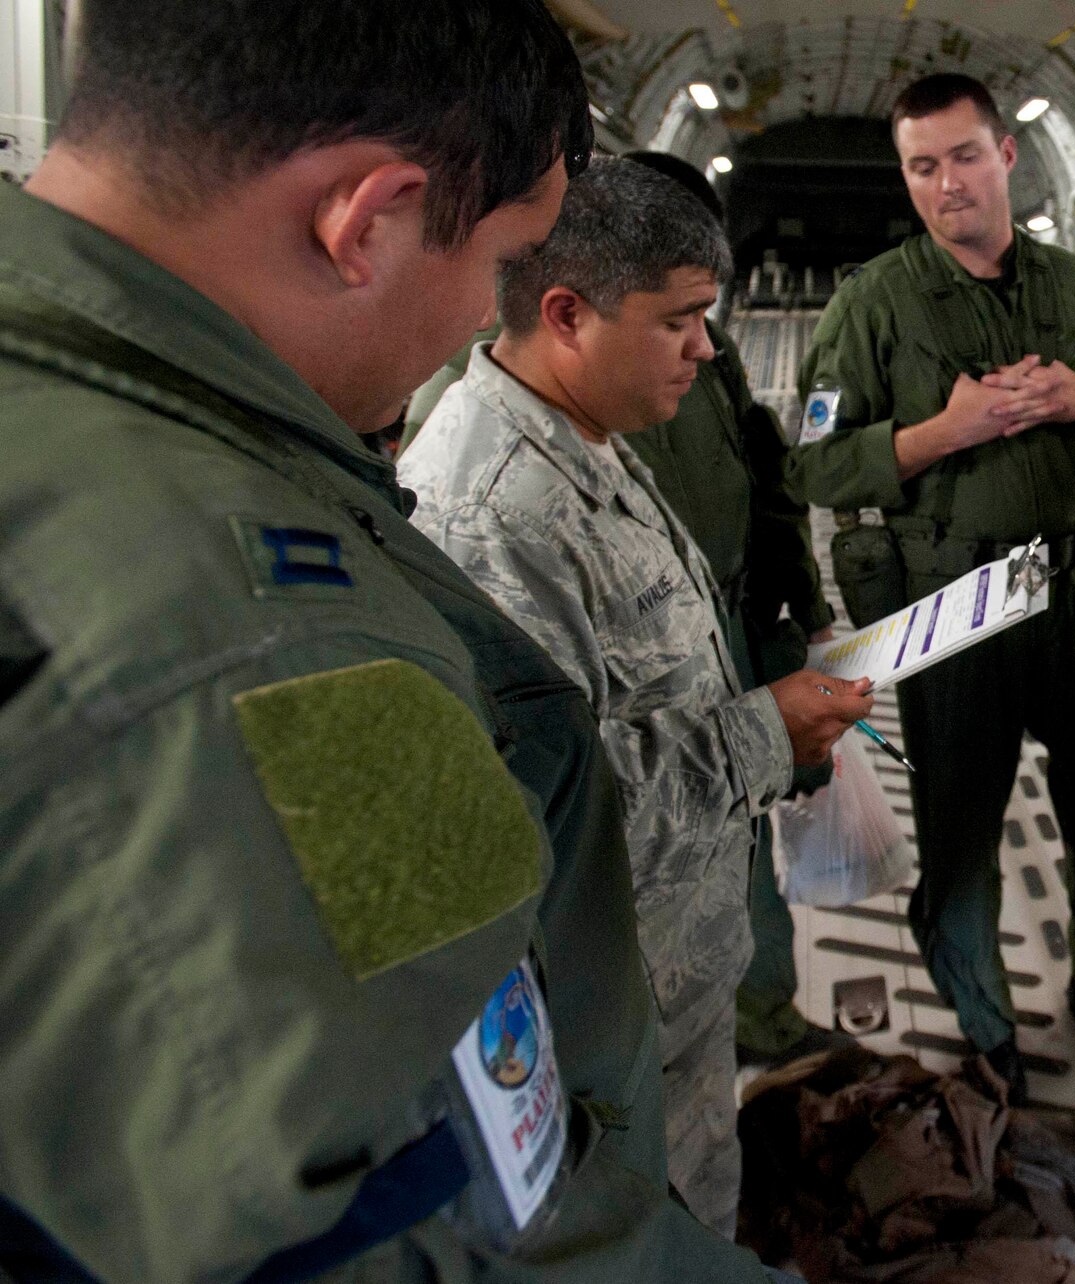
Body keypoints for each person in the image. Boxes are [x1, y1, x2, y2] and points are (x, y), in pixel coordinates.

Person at [0, 2, 772, 1280]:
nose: (486, 318)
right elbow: (492, 1229)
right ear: (362, 223)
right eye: (499, 262)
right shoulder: (272, 662)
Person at [398, 158, 872, 1235]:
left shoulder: (586, 442)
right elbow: (542, 824)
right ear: (567, 314)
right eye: (682, 321)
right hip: (599, 1033)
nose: (707, 350)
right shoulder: (493, 519)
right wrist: (765, 734)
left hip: (677, 993)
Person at [786, 74, 1075, 1100]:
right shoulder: (871, 305)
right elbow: (814, 464)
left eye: (963, 156)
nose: (944, 183)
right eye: (921, 166)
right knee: (962, 826)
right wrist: (942, 433)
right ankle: (982, 1013)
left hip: (1073, 586)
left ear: (1005, 157)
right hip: (959, 600)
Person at [620, 150, 851, 1068]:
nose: (701, 337)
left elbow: (769, 479)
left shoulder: (707, 364)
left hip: (731, 635)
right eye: (681, 308)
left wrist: (806, 603)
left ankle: (765, 1024)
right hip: (646, 662)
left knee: (748, 849)